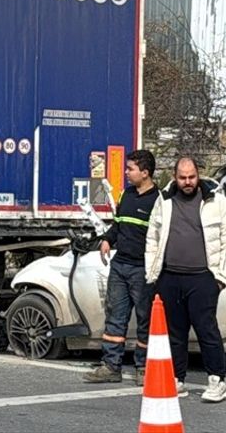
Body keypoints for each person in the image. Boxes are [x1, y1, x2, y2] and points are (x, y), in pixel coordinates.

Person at [144, 157, 226, 402]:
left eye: (192, 177)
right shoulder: (163, 201)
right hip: (170, 277)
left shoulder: (216, 201)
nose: (187, 182)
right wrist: (153, 274)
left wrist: (221, 278)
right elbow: (152, 239)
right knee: (175, 333)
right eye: (183, 177)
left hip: (203, 279)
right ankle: (177, 380)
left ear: (199, 175)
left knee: (207, 330)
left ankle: (217, 380)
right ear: (175, 177)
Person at [83, 149, 161, 385]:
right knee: (115, 317)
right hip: (120, 266)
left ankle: (144, 368)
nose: (126, 173)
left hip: (142, 269)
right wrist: (107, 239)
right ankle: (111, 366)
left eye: (130, 169)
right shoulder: (126, 195)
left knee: (145, 319)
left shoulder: (158, 202)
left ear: (145, 173)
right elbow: (118, 224)